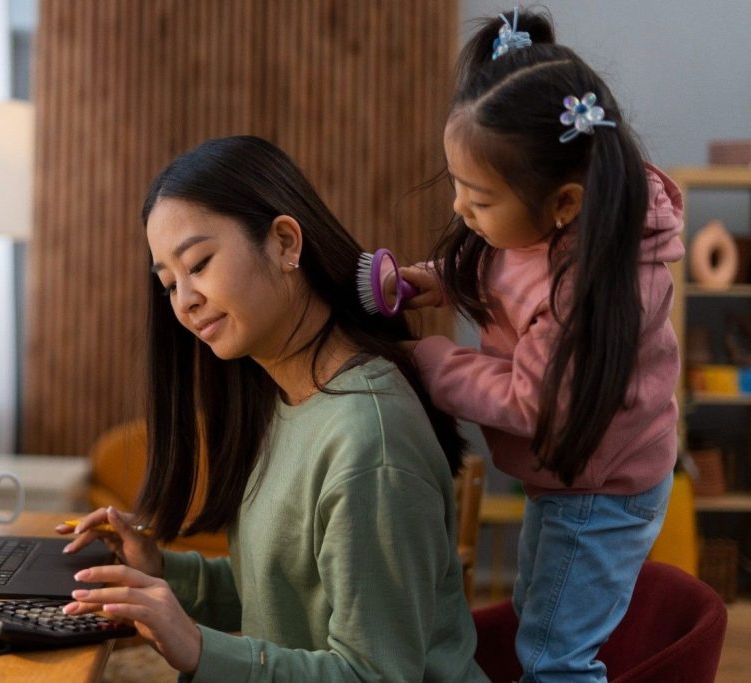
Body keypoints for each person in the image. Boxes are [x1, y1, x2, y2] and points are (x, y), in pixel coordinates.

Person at [59, 135, 487, 681]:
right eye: (169, 283)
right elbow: (285, 591)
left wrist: (197, 647)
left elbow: (375, 675)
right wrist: (162, 572)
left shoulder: (367, 440)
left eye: (200, 263)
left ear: (285, 242)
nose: (184, 300)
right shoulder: (286, 399)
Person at [400, 7, 683, 682]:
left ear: (562, 203)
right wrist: (437, 282)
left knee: (556, 656)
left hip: (602, 492)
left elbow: (530, 399)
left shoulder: (589, 288)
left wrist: (431, 362)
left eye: (477, 196)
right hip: (574, 474)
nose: (460, 211)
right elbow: (506, 267)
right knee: (539, 616)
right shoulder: (548, 225)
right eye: (457, 188)